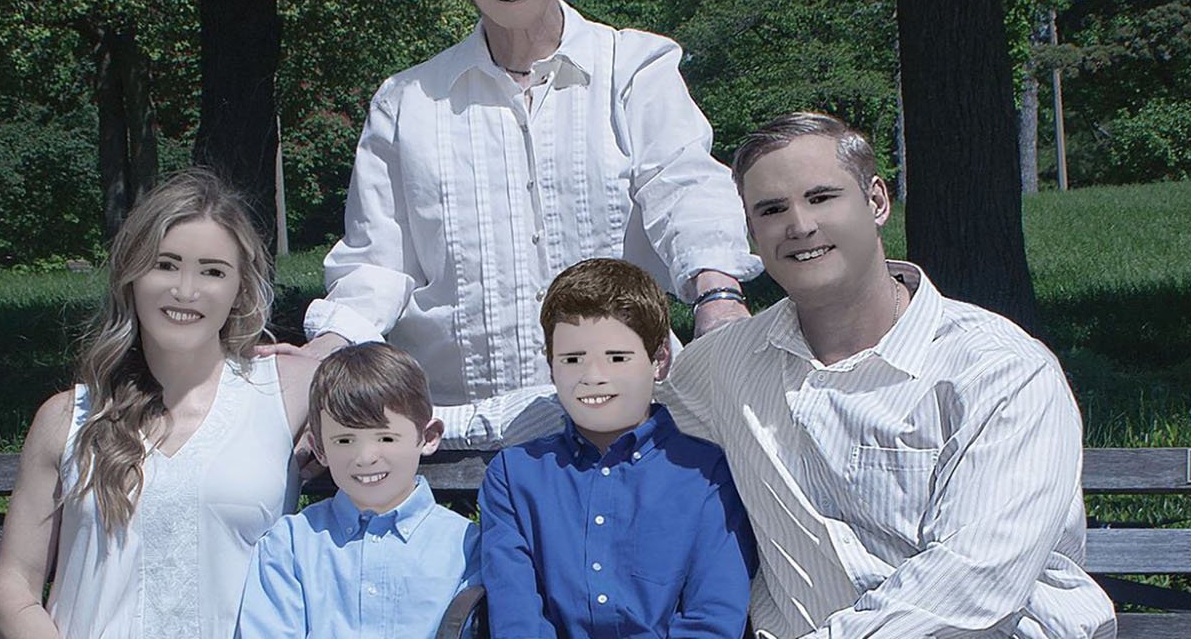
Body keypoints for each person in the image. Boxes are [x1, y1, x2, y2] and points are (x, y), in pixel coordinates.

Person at [438, 113, 1117, 638]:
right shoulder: (734, 362)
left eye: (822, 197)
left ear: (876, 200)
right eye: (770, 210)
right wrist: (432, 423)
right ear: (750, 233)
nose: (799, 225)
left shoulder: (999, 371)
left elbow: (975, 585)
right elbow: (603, 392)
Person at [261, 0, 761, 411]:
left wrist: (717, 296)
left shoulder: (634, 69)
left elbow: (685, 188)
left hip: (628, 415)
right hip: (458, 427)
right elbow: (379, 260)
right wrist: (324, 349)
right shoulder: (405, 103)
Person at [0, 169, 318, 639]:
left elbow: (401, 408)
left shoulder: (288, 391)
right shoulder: (67, 419)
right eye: (165, 264)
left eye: (212, 271)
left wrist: (330, 369)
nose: (186, 290)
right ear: (131, 276)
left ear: (240, 289)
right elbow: (14, 582)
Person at [478, 258, 756, 638]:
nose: (594, 377)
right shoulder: (514, 476)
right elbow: (517, 618)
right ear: (550, 366)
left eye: (617, 358)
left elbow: (712, 618)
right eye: (573, 359)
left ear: (659, 360)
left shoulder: (706, 474)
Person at [235, 343, 480, 639]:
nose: (365, 457)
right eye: (344, 440)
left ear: (427, 437)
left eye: (386, 438)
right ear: (319, 449)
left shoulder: (467, 547)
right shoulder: (289, 545)